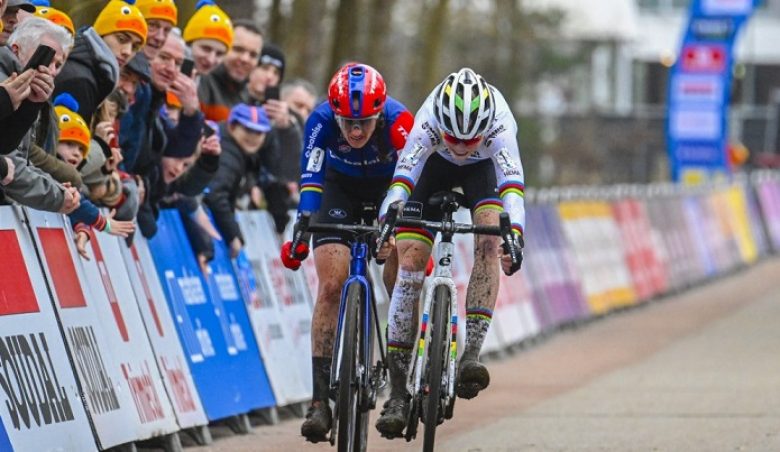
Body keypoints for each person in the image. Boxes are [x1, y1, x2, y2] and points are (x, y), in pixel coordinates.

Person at [373, 67, 525, 438]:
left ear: (486, 130)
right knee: (409, 264)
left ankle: (471, 354)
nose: (459, 147)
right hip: (431, 170)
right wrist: (386, 222)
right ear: (439, 125)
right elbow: (402, 180)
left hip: (482, 173)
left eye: (469, 140)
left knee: (490, 240)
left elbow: (513, 187)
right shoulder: (427, 122)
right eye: (452, 137)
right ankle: (397, 393)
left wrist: (515, 237)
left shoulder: (501, 125)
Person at [278, 62, 414, 443]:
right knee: (332, 284)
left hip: (390, 190)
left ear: (380, 113)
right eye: (347, 123)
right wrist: (302, 229)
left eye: (365, 123)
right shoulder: (320, 120)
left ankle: (400, 386)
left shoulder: (401, 121)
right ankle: (320, 401)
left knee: (398, 272)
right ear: (335, 113)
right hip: (337, 190)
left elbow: (412, 177)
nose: (355, 131)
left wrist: (393, 226)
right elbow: (311, 177)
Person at [54, 0, 148, 124]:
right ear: (101, 34)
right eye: (121, 39)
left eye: (135, 47)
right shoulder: (80, 80)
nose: (128, 52)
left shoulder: (93, 73)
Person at [202, 103, 271, 257]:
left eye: (259, 133)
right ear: (232, 126)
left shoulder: (237, 150)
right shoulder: (228, 154)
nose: (253, 137)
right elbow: (215, 194)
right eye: (248, 129)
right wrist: (233, 235)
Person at [198, 19, 262, 121]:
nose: (245, 59)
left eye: (253, 55)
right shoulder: (200, 81)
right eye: (238, 49)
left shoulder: (247, 98)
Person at [183, 0, 233, 76]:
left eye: (219, 54)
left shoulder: (210, 84)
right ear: (188, 44)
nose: (211, 60)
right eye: (206, 49)